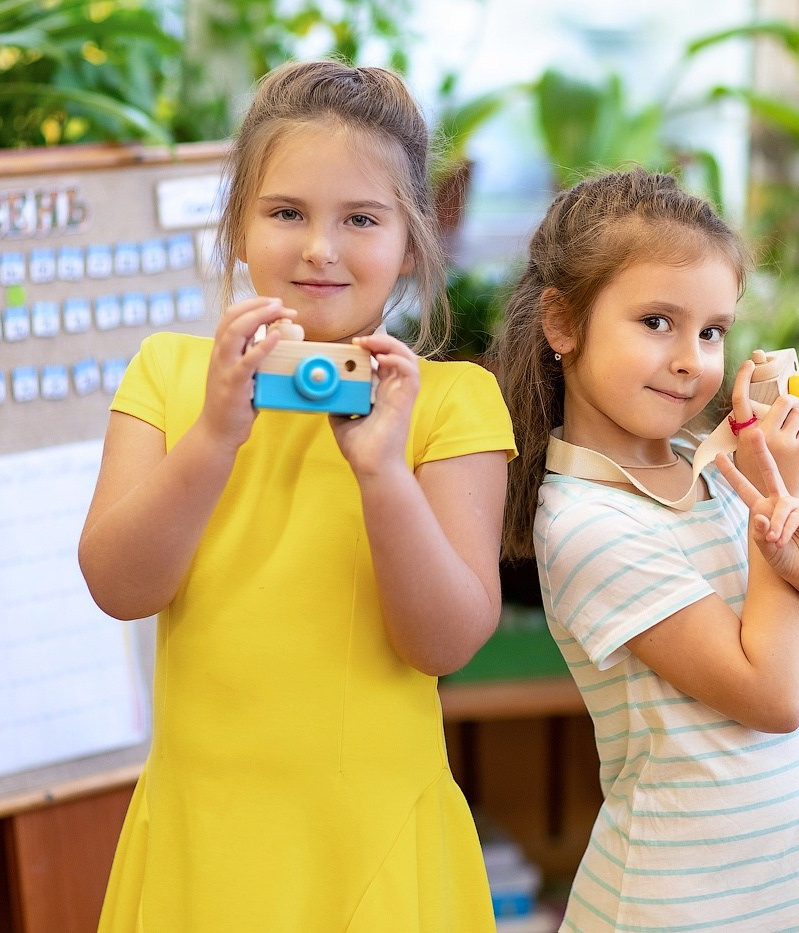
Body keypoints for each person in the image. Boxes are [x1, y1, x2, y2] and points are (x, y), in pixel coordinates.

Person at [79, 60, 516, 932]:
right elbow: (119, 586)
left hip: (373, 850)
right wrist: (213, 436)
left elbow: (446, 640)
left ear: (411, 239)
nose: (321, 247)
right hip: (201, 848)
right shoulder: (171, 375)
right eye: (287, 212)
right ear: (239, 223)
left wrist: (382, 472)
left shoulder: (454, 402)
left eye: (361, 218)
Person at [492, 167, 799, 932]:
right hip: (678, 904)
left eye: (712, 331)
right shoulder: (585, 524)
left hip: (795, 888)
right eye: (656, 322)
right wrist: (776, 515)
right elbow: (771, 697)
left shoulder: (718, 469)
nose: (691, 359)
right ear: (562, 323)